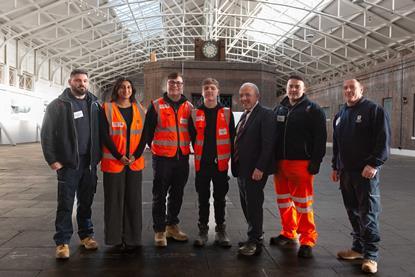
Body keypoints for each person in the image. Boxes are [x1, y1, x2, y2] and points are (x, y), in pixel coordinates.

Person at [332, 78, 390, 274]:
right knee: (352, 211)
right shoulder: (340, 114)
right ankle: (358, 248)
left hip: (365, 173)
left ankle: (371, 256)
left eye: (352, 87)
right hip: (346, 173)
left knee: (368, 213)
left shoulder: (373, 110)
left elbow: (383, 139)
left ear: (361, 89)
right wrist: (335, 166)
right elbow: (337, 144)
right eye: (345, 88)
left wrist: (374, 163)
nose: (348, 90)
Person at [41, 69, 101, 259]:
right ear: (70, 82)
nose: (81, 83)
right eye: (77, 80)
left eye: (84, 80)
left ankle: (86, 236)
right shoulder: (58, 105)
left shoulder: (95, 104)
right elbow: (47, 134)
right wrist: (52, 160)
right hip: (68, 164)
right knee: (66, 204)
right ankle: (62, 242)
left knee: (86, 203)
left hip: (89, 164)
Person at [271, 75, 326, 258]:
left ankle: (307, 239)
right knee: (284, 201)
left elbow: (320, 138)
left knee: (303, 204)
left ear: (304, 89)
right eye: (290, 86)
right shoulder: (279, 108)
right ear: (286, 88)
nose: (293, 90)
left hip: (301, 163)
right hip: (280, 164)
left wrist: (316, 161)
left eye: (297, 87)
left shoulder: (313, 110)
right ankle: (288, 232)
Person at [143, 72, 194, 247]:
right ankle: (159, 230)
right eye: (172, 83)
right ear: (167, 85)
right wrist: (157, 150)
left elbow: (194, 133)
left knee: (177, 194)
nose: (175, 86)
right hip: (162, 159)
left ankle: (172, 225)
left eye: (178, 83)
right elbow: (147, 133)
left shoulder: (189, 107)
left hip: (182, 158)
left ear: (183, 85)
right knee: (159, 195)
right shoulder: (156, 105)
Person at [100, 77, 147, 250]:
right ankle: (114, 239)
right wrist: (119, 155)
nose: (126, 90)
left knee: (133, 201)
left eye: (128, 87)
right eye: (122, 87)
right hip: (114, 163)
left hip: (134, 163)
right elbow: (104, 135)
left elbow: (144, 136)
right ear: (117, 90)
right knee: (113, 201)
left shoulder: (140, 109)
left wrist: (136, 154)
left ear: (132, 90)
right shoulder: (107, 108)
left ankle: (133, 238)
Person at [231, 82, 276, 256]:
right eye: (241, 95)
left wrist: (260, 167)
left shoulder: (265, 115)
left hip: (255, 170)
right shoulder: (245, 115)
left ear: (257, 96)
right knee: (246, 204)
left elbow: (268, 144)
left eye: (247, 95)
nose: (244, 98)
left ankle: (254, 240)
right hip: (242, 168)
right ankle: (255, 235)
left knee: (254, 205)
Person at [191, 78, 235, 247]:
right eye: (206, 88)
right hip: (202, 165)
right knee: (203, 198)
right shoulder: (195, 113)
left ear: (218, 91)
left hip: (220, 166)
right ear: (202, 92)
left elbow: (232, 137)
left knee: (220, 198)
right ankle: (202, 230)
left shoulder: (226, 113)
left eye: (212, 88)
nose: (209, 91)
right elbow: (192, 136)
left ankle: (221, 230)